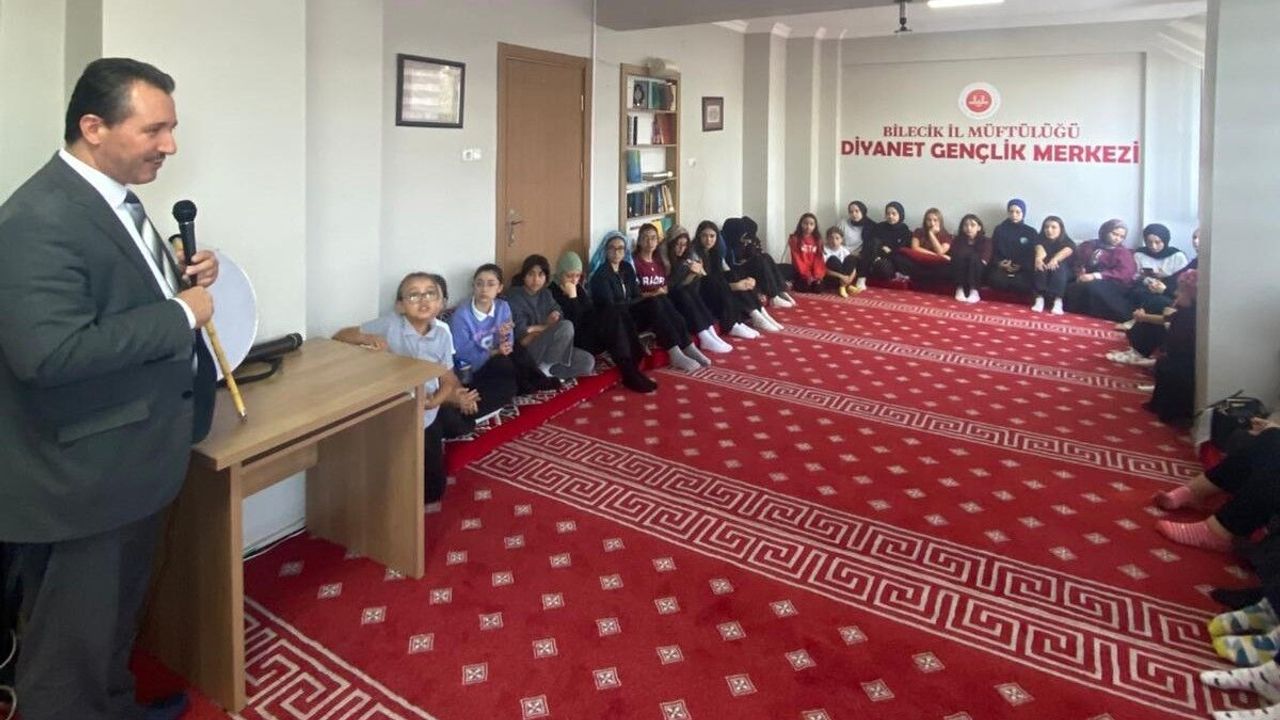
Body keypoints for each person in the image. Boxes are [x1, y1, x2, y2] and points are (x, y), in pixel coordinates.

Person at [0, 57, 220, 720]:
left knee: (112, 624)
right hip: (83, 473)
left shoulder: (114, 198)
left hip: (133, 453)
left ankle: (115, 707)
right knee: (70, 647)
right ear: (94, 127)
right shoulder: (37, 218)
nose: (170, 145)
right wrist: (180, 314)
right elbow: (50, 353)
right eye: (154, 130)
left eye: (172, 128)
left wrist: (176, 276)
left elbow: (111, 298)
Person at [333, 273, 478, 503]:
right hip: (395, 413)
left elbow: (448, 379)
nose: (423, 300)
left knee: (433, 490)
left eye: (430, 293)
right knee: (393, 477)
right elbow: (340, 336)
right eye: (413, 295)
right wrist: (368, 339)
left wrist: (436, 400)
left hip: (427, 415)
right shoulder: (390, 324)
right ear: (400, 305)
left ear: (440, 303)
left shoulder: (442, 334)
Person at [588, 231, 709, 372]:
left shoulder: (626, 268)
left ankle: (688, 346)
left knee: (661, 299)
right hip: (620, 321)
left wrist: (651, 295)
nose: (616, 252)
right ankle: (674, 352)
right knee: (654, 304)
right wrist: (648, 297)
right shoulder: (601, 275)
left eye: (620, 248)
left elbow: (636, 294)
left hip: (631, 311)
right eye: (612, 248)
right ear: (606, 251)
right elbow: (611, 307)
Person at [548, 251, 657, 393]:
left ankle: (633, 364)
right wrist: (573, 298)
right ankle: (629, 372)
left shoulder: (578, 288)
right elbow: (573, 324)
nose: (574, 280)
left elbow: (589, 312)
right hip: (575, 341)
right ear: (560, 274)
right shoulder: (552, 292)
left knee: (616, 311)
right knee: (610, 317)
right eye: (569, 276)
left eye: (577, 276)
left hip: (589, 334)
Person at [448, 264, 522, 417]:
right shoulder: (462, 315)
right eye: (479, 284)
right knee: (505, 365)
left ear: (499, 288)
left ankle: (510, 391)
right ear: (473, 286)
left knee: (518, 354)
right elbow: (463, 356)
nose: (484, 289)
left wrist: (503, 338)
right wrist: (495, 352)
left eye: (490, 284)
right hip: (469, 371)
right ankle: (474, 408)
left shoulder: (503, 307)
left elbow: (508, 343)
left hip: (495, 362)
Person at [507, 254, 595, 380]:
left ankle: (546, 370)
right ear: (524, 275)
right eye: (531, 274)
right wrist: (548, 327)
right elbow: (523, 335)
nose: (536, 279)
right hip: (528, 351)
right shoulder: (514, 296)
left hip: (551, 349)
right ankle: (545, 369)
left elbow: (560, 318)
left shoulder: (546, 294)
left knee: (588, 362)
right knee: (566, 326)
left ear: (546, 277)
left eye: (541, 275)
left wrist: (535, 329)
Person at [1064, 218, 1138, 321]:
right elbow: (1076, 261)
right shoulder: (1089, 245)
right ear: (1105, 231)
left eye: (1121, 237)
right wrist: (1079, 272)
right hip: (1085, 278)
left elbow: (1125, 273)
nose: (1117, 239)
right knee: (1071, 287)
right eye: (1114, 234)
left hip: (1112, 283)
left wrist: (1095, 276)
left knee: (1093, 287)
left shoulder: (1123, 253)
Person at [1123, 223, 1189, 326]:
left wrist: (1164, 284)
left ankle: (1142, 320)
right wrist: (1147, 280)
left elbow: (1182, 281)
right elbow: (1134, 276)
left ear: (1165, 240)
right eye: (1149, 242)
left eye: (1158, 242)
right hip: (1146, 288)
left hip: (1168, 291)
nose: (1153, 246)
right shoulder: (1140, 254)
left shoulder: (1177, 256)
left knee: (1162, 301)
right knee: (1137, 294)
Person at [720, 216, 795, 308]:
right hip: (734, 272)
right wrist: (747, 259)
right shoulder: (724, 244)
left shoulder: (738, 241)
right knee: (759, 260)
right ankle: (774, 296)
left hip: (743, 265)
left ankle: (780, 291)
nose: (743, 236)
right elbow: (729, 265)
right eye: (742, 233)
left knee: (766, 257)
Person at [986, 198, 1037, 298]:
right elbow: (993, 250)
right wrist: (1000, 263)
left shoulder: (1030, 232)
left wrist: (1021, 266)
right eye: (1011, 211)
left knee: (1023, 284)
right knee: (996, 280)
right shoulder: (1000, 229)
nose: (1014, 215)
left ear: (1023, 213)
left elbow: (1032, 254)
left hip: (1023, 269)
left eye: (1018, 212)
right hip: (1001, 267)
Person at [855, 201, 911, 290]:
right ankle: (861, 277)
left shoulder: (904, 230)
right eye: (888, 213)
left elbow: (901, 249)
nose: (890, 216)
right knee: (874, 242)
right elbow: (871, 243)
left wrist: (887, 251)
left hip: (891, 261)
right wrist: (881, 249)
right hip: (875, 256)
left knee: (882, 266)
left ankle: (874, 267)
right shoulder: (880, 227)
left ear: (900, 215)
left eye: (894, 214)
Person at [895, 207, 953, 288]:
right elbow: (915, 248)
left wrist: (931, 234)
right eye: (929, 220)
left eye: (935, 220)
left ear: (940, 222)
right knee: (899, 257)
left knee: (947, 268)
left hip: (935, 266)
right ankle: (921, 278)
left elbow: (940, 251)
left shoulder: (946, 235)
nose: (932, 223)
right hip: (919, 263)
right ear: (925, 221)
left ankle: (919, 278)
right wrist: (935, 255)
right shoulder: (918, 231)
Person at [1031, 215, 1075, 314]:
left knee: (1059, 266)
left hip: (1065, 272)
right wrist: (1038, 259)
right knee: (1041, 265)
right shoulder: (1039, 239)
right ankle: (1039, 298)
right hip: (1046, 269)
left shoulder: (1068, 242)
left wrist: (1055, 259)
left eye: (1053, 227)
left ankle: (1058, 300)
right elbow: (1040, 250)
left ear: (1060, 229)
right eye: (1046, 227)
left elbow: (1065, 252)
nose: (1049, 230)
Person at [950, 213, 992, 303]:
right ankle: (960, 288)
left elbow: (984, 261)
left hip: (978, 270)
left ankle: (974, 291)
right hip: (961, 269)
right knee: (960, 257)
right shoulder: (958, 240)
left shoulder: (986, 241)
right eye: (966, 225)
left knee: (973, 258)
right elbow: (954, 257)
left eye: (972, 225)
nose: (969, 228)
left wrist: (971, 260)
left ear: (979, 227)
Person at [786, 213, 826, 293]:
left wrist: (817, 276)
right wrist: (807, 276)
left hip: (814, 272)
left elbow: (819, 260)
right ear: (801, 224)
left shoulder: (818, 240)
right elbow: (797, 260)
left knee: (818, 289)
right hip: (800, 272)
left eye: (811, 224)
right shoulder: (795, 239)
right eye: (805, 223)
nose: (808, 227)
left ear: (815, 226)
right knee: (804, 288)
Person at [821, 225, 859, 297]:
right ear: (827, 239)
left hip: (845, 279)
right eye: (831, 238)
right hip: (832, 277)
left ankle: (844, 286)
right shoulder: (823, 249)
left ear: (841, 239)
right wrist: (842, 277)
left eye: (837, 238)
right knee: (833, 259)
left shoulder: (844, 250)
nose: (834, 241)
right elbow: (824, 270)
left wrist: (850, 279)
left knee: (851, 258)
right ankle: (846, 286)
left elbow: (853, 268)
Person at [837, 200, 873, 273]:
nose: (854, 214)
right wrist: (847, 252)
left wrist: (857, 254)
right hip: (842, 253)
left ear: (862, 211)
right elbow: (834, 240)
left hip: (860, 256)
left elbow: (870, 246)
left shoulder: (870, 226)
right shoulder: (843, 223)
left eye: (857, 211)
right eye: (851, 212)